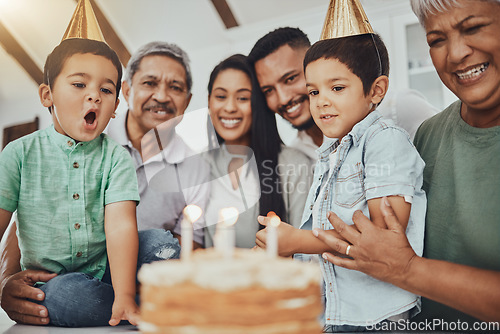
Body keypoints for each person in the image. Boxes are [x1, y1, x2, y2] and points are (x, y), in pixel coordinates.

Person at [313, 0, 500, 325]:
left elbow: (393, 257)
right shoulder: (428, 135)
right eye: (436, 40)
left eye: (473, 28)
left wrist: (409, 270)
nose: (455, 54)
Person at [0, 41, 207, 326]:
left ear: (114, 103)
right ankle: (144, 306)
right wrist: (4, 281)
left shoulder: (118, 157)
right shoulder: (20, 153)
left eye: (104, 90)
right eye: (150, 82)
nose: (94, 97)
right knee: (66, 295)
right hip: (55, 280)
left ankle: (129, 304)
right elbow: (12, 220)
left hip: (112, 268)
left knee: (163, 245)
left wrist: (124, 293)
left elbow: (122, 225)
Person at [256, 33, 427, 330]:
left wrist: (297, 241)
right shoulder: (330, 152)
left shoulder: (384, 140)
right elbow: (322, 227)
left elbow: (384, 236)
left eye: (336, 88)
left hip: (375, 314)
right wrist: (283, 243)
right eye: (314, 92)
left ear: (376, 91)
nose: (321, 102)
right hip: (337, 310)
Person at [204, 54, 310, 248]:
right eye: (221, 96)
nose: (229, 107)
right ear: (209, 102)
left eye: (243, 98)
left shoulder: (294, 164)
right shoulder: (199, 165)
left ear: (258, 104)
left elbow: (305, 250)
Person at [248, 27, 323, 164]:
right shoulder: (294, 159)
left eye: (290, 79)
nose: (283, 99)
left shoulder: (370, 126)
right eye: (269, 90)